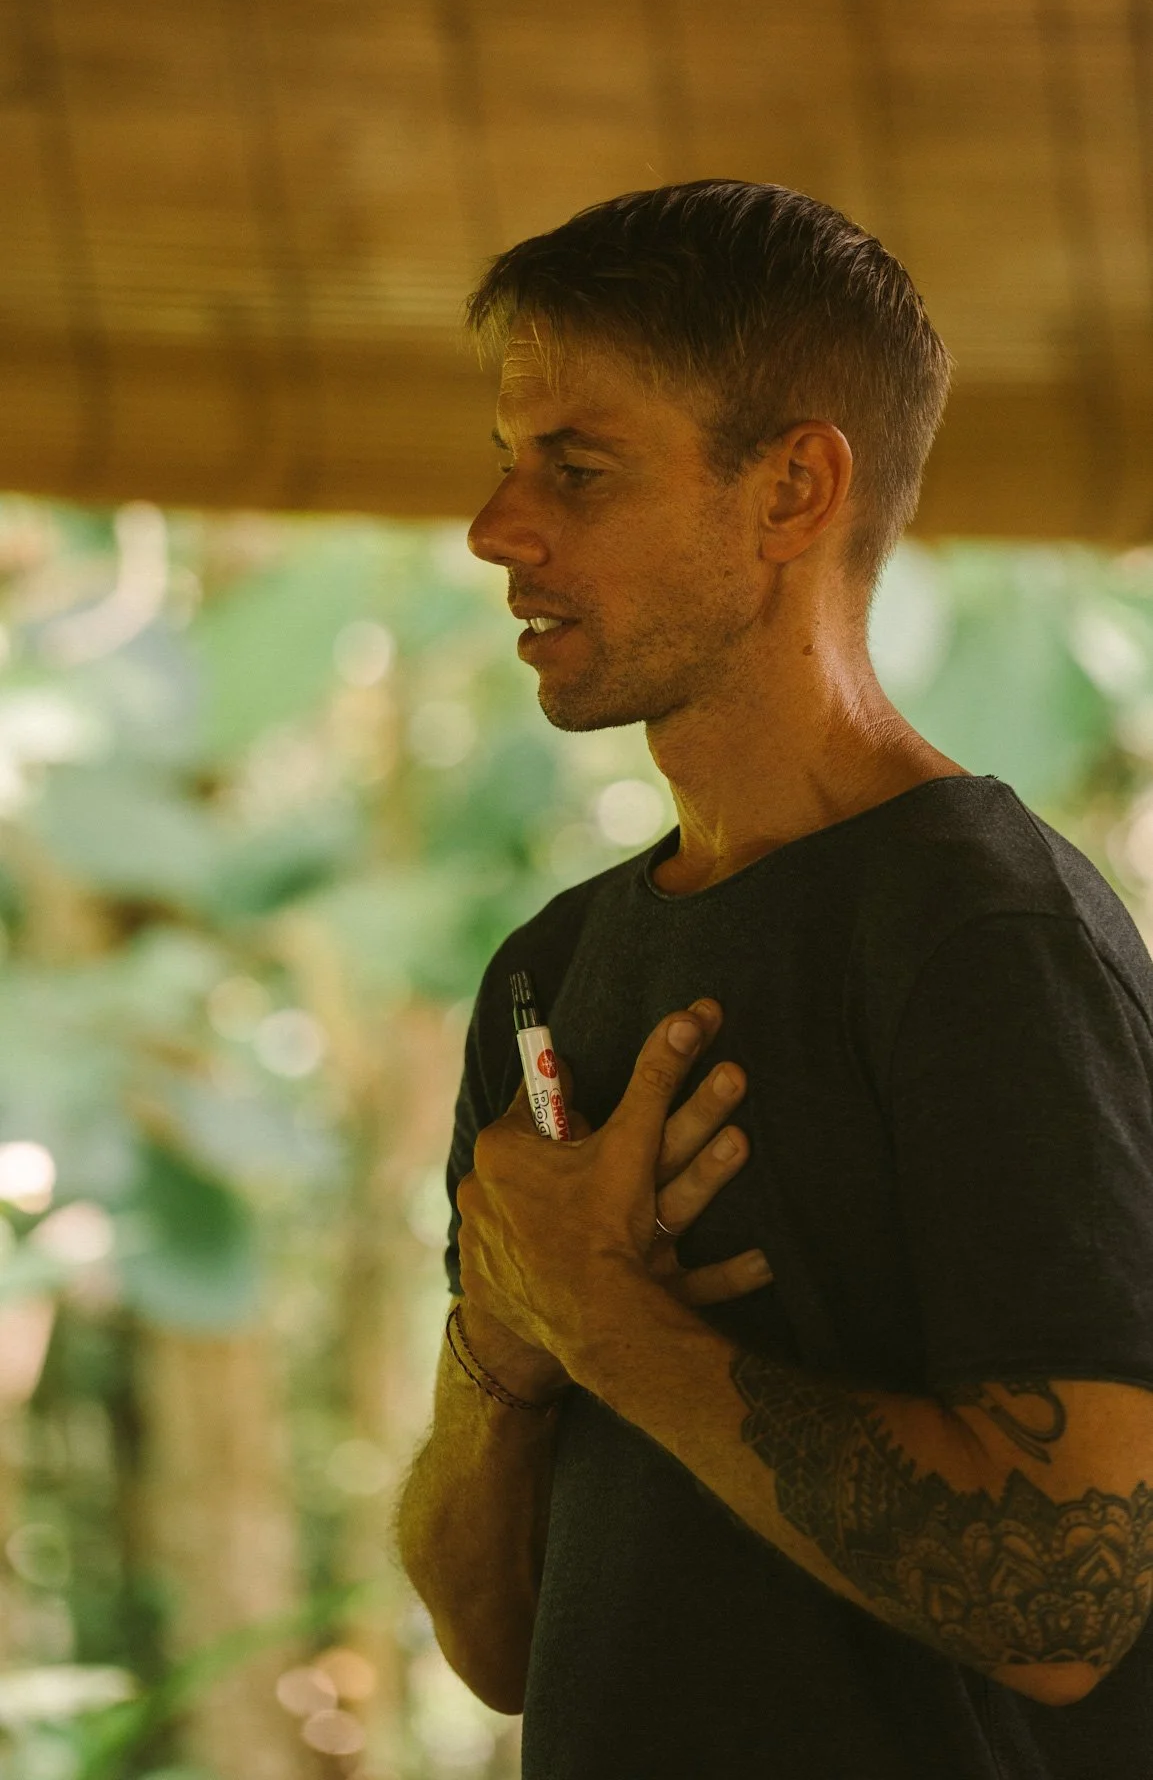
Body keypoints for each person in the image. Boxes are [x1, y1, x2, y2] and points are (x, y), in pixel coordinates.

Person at [394, 182, 1153, 1779]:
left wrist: (605, 1323)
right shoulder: (550, 971)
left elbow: (1069, 1600)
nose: (497, 530)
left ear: (794, 488)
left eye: (576, 470)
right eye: (505, 461)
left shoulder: (986, 935)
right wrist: (502, 1355)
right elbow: (492, 1646)